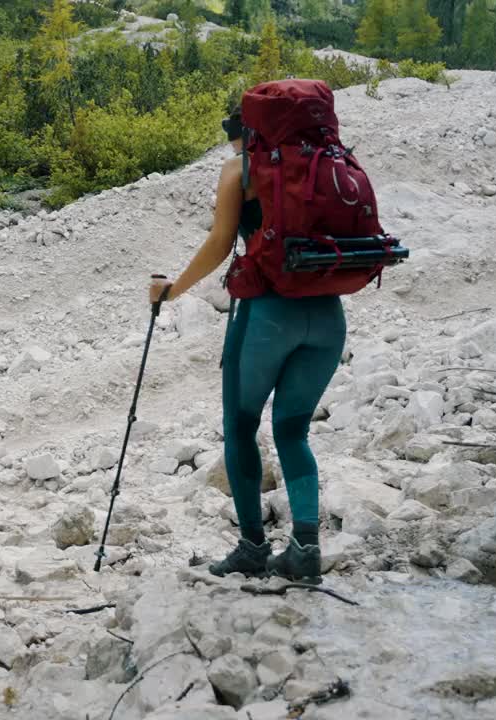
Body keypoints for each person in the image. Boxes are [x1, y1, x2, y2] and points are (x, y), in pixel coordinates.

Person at [149, 106, 348, 583]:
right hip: (327, 317)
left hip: (267, 317)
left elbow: (221, 243)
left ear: (244, 133)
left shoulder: (240, 170)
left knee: (240, 427)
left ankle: (253, 547)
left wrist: (172, 291)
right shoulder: (328, 163)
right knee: (293, 431)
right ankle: (304, 550)